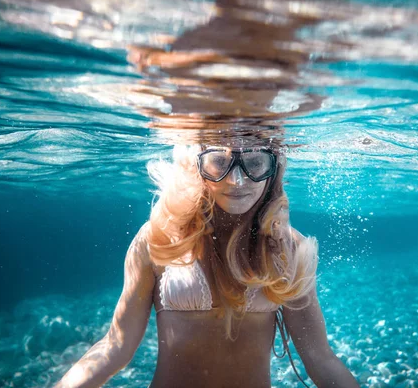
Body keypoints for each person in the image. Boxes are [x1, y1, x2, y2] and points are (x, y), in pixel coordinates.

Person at [55, 143, 359, 388]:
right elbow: (115, 348)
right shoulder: (159, 237)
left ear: (274, 166)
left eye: (255, 162)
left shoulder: (286, 248)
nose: (237, 180)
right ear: (196, 161)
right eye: (219, 160)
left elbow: (320, 358)